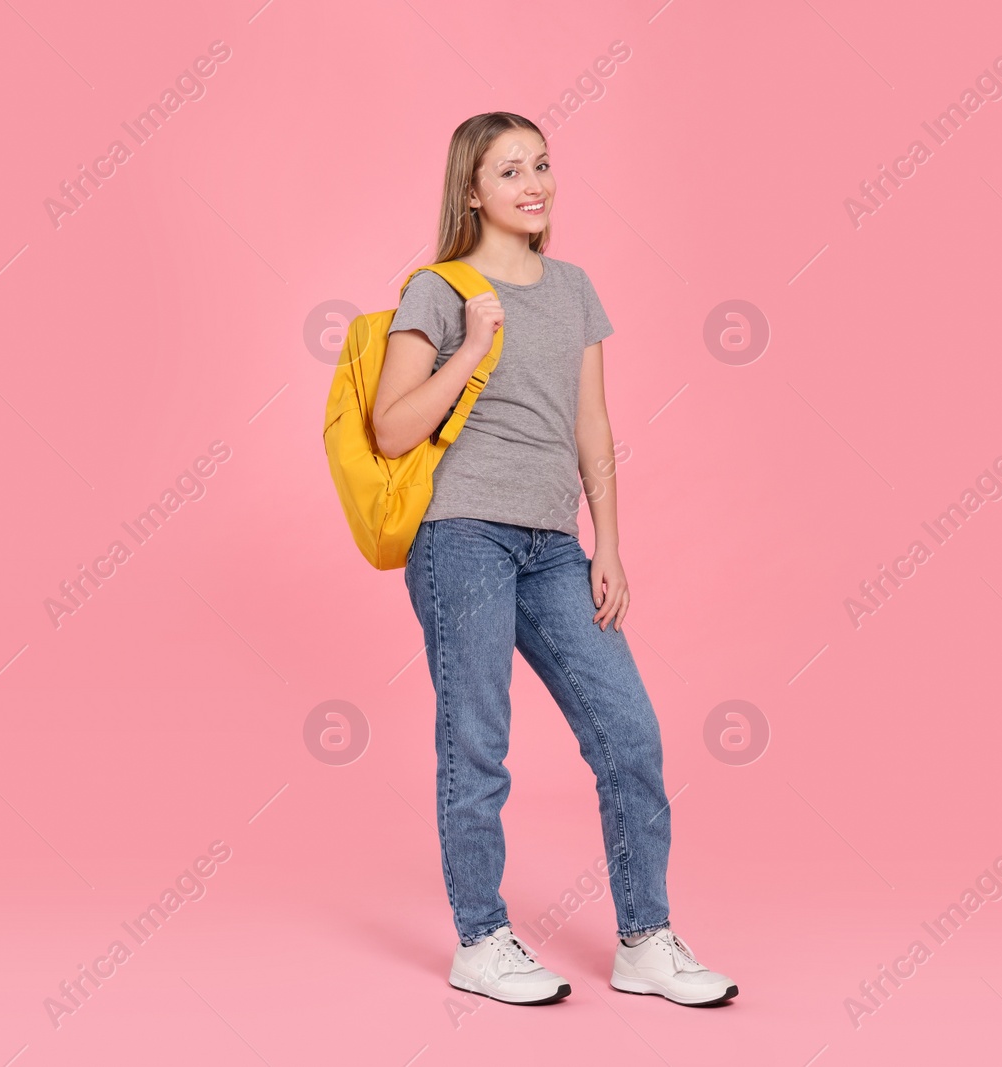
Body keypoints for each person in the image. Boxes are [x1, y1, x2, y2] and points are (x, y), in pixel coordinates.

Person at [372, 112, 737, 1008]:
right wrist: (472, 346)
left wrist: (608, 542)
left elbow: (592, 426)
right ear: (472, 190)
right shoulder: (438, 288)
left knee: (629, 732)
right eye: (510, 170)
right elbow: (391, 427)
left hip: (553, 547)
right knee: (478, 743)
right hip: (462, 536)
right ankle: (480, 939)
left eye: (541, 164)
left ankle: (645, 940)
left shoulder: (573, 287)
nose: (534, 183)